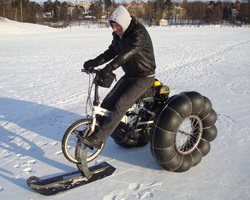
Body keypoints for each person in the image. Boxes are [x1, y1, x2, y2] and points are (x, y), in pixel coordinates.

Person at [82, 5, 156, 149]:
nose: (114, 29)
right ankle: (94, 130)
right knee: (108, 102)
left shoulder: (139, 32)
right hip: (130, 75)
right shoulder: (119, 36)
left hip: (144, 76)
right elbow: (111, 52)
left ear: (123, 22)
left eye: (116, 26)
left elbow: (128, 53)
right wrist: (94, 62)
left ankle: (99, 138)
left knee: (121, 104)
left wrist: (110, 68)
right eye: (112, 26)